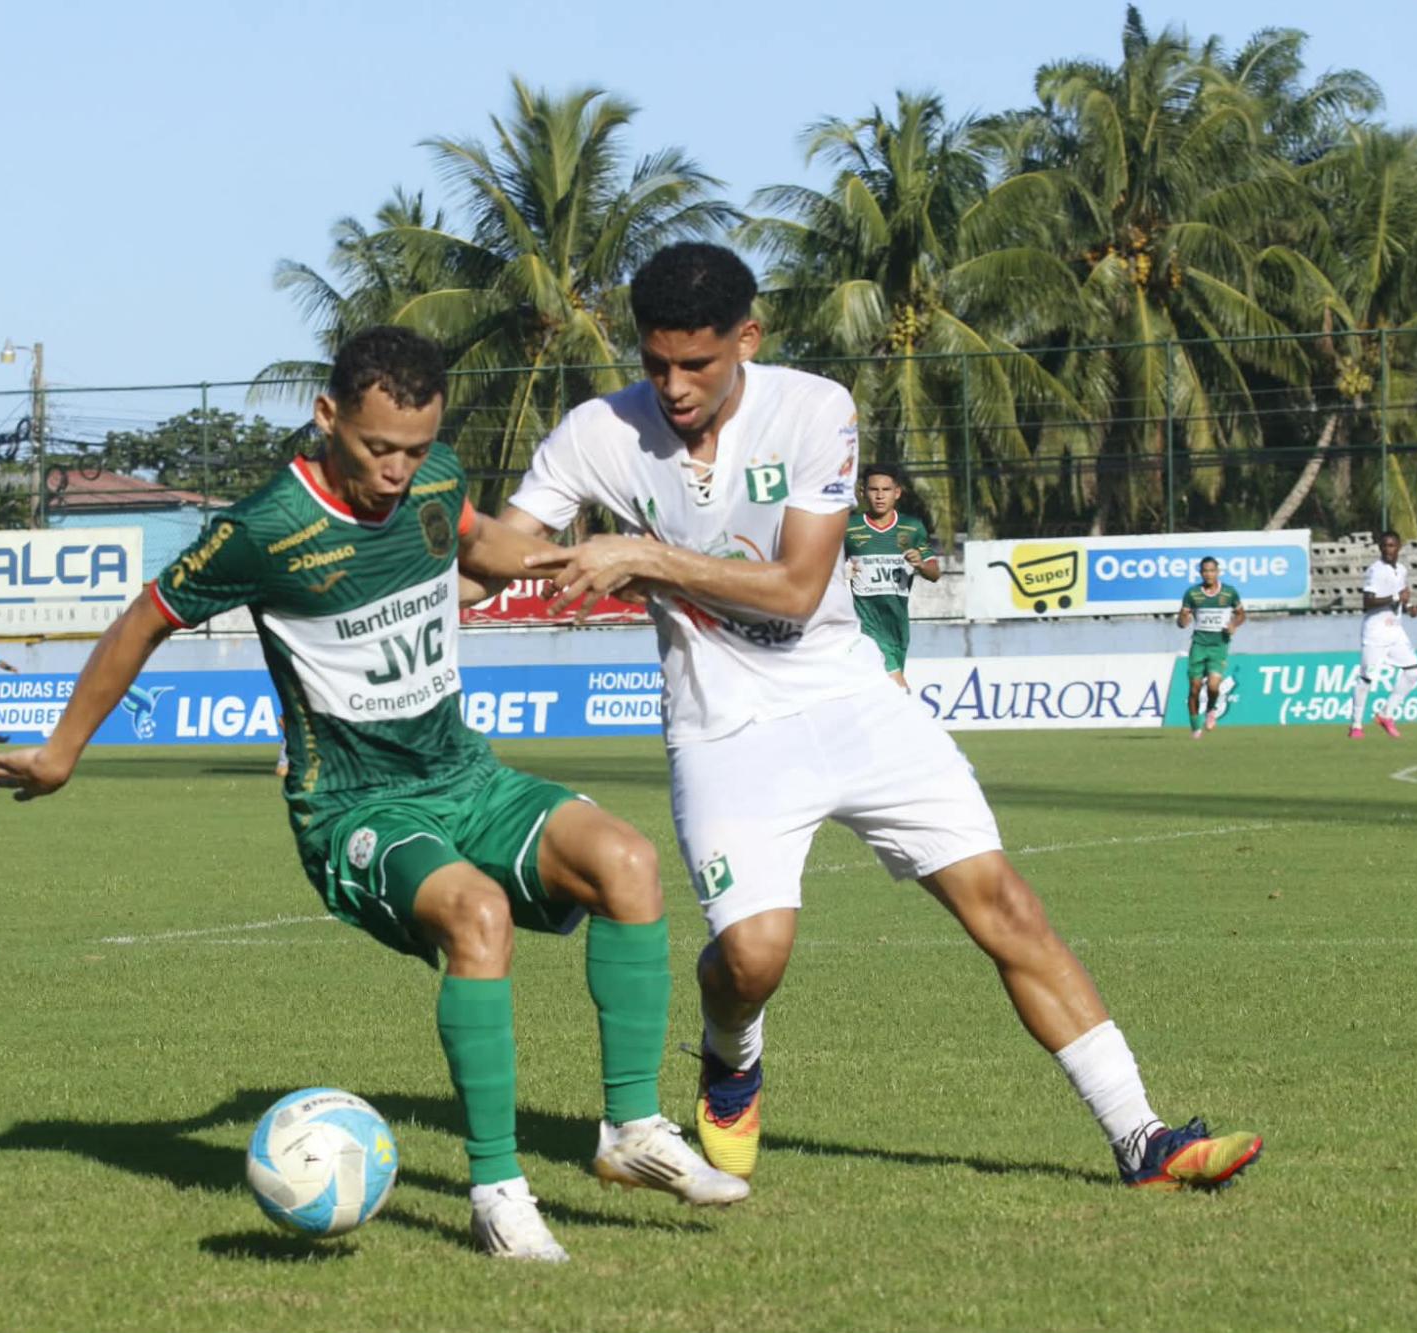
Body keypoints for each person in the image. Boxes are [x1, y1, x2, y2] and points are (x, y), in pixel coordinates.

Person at [500, 242, 1261, 1192]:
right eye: (656, 364)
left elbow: (793, 586)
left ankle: (1142, 1138)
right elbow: (505, 547)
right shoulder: (597, 432)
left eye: (696, 364)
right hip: (724, 728)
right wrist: (432, 527)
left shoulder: (814, 408)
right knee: (751, 957)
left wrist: (641, 557)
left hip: (852, 698)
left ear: (748, 338)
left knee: (1007, 906)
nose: (675, 387)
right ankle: (731, 1056)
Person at [0, 326, 745, 1263]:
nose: (398, 469)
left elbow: (479, 542)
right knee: (479, 913)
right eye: (379, 447)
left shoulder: (432, 478)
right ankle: (498, 1191)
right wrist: (62, 749)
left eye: (416, 449)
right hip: (355, 809)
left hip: (464, 773)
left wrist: (582, 558)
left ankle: (630, 1133)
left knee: (627, 859)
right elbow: (147, 616)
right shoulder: (264, 530)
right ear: (329, 416)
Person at [844, 463, 938, 689]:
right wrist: (842, 571)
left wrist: (921, 564)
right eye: (873, 489)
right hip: (865, 625)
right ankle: (915, 723)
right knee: (898, 691)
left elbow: (935, 573)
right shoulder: (849, 528)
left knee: (882, 694)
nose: (879, 496)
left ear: (897, 493)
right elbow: (824, 565)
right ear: (862, 492)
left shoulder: (912, 528)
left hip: (897, 625)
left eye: (885, 490)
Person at [1349, 530, 1417, 739]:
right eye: (1385, 546)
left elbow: (1402, 598)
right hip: (1375, 632)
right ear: (1380, 548)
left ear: (1399, 547)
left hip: (1395, 630)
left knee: (1413, 672)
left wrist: (1411, 607)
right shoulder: (1375, 571)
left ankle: (1386, 714)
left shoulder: (1401, 570)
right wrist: (1396, 596)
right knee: (1367, 678)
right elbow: (1367, 602)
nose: (1388, 549)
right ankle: (1356, 725)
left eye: (1392, 545)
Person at [1177, 556, 1246, 738]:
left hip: (1219, 646)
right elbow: (1182, 621)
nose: (1208, 574)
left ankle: (1211, 710)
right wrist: (1183, 618)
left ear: (1217, 572)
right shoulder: (1192, 594)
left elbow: (1241, 615)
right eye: (1205, 571)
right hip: (1199, 646)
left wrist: (1234, 624)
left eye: (1212, 570)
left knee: (1214, 687)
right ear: (1201, 573)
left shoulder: (1229, 593)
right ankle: (1195, 729)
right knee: (1194, 688)